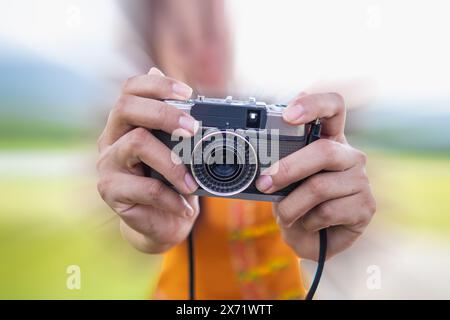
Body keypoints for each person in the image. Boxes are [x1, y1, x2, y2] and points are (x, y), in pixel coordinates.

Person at [96, 0, 376, 299]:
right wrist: (145, 225)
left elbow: (339, 223)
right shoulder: (146, 126)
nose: (205, 53)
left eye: (214, 34)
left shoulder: (291, 120)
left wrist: (326, 228)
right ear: (154, 41)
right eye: (184, 42)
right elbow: (130, 221)